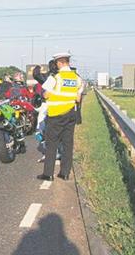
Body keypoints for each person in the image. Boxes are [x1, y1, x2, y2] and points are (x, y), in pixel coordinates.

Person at [37, 53, 83, 181]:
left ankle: (48, 174)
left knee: (52, 144)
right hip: (70, 114)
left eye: (57, 63)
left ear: (61, 62)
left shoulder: (55, 78)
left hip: (56, 115)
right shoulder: (77, 78)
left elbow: (45, 95)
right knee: (68, 143)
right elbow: (78, 98)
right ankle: (65, 173)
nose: (56, 65)